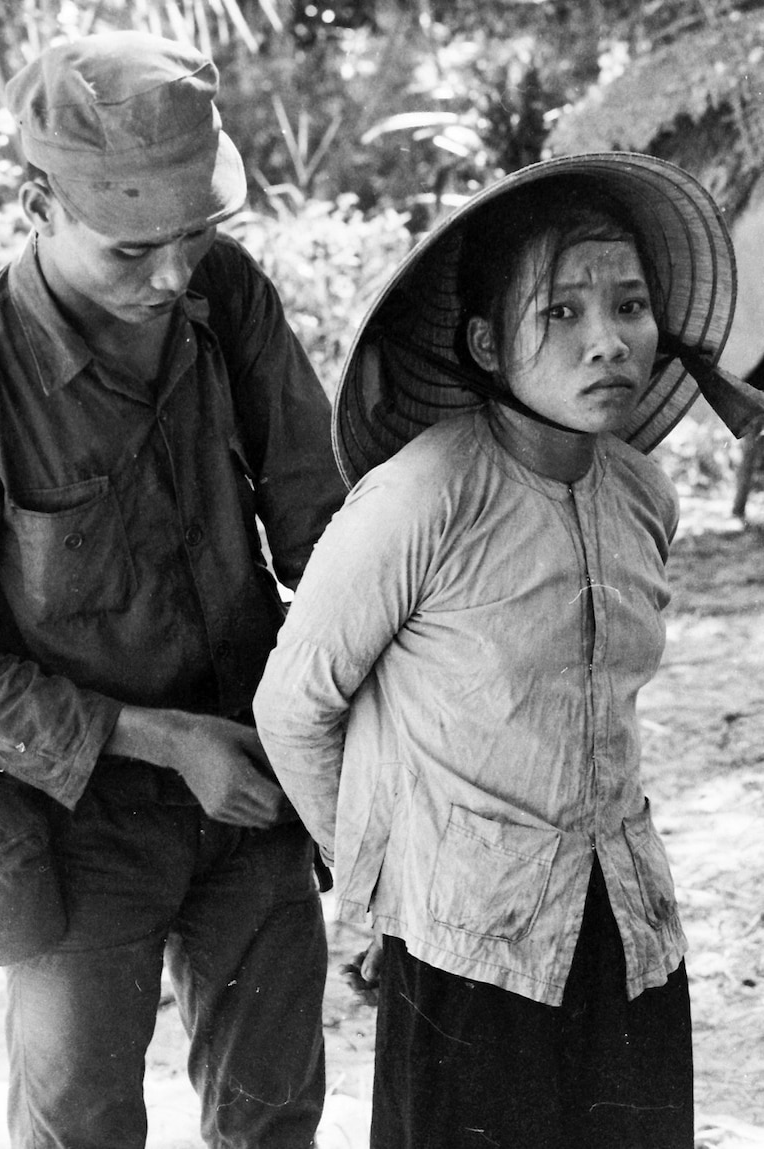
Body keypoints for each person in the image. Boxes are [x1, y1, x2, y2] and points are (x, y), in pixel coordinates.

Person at [253, 152, 764, 1149]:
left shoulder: (640, 497)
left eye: (628, 306)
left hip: (624, 927)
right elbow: (294, 704)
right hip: (464, 947)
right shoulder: (421, 496)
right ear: (487, 344)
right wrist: (374, 893)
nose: (608, 341)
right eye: (562, 315)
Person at [0, 31, 345, 1149]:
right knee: (79, 1123)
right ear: (33, 201)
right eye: (132, 248)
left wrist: (336, 723)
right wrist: (161, 740)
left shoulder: (224, 293)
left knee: (274, 1111)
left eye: (197, 236)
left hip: (255, 779)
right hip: (73, 817)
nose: (172, 277)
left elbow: (317, 518)